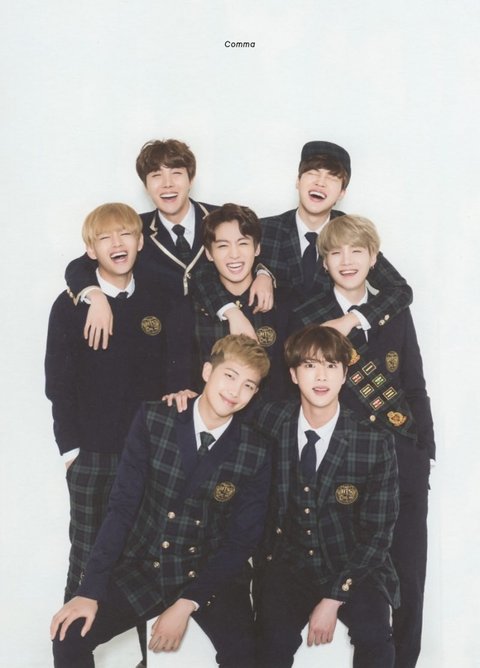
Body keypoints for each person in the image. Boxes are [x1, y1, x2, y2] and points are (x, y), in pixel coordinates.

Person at [50, 334, 272, 668]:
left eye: (248, 386)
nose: (235, 391)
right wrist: (89, 590)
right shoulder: (154, 419)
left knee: (245, 656)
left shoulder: (257, 450)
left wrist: (188, 603)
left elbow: (241, 542)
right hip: (146, 566)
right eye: (229, 376)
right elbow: (121, 508)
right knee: (68, 636)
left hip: (209, 574)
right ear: (207, 371)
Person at [293, 214, 435, 668]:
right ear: (324, 261)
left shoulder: (395, 311)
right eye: (336, 252)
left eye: (358, 251)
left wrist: (424, 450)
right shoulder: (308, 316)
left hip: (403, 454)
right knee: (362, 574)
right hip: (346, 464)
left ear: (374, 258)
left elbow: (414, 385)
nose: (347, 260)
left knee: (409, 574)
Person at [45, 202, 171, 667]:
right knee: (88, 561)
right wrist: (72, 452)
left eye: (126, 234)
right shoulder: (70, 305)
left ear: (140, 241)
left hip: (150, 454)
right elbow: (58, 384)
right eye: (105, 238)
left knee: (143, 561)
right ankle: (71, 653)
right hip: (94, 457)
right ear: (90, 249)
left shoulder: (158, 298)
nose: (117, 244)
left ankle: (146, 659)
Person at [254, 325, 400, 668]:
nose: (321, 376)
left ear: (345, 374)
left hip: (354, 566)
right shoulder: (268, 420)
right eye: (309, 365)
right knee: (268, 645)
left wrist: (335, 597)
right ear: (293, 374)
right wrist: (184, 399)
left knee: (376, 637)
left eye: (331, 366)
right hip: (287, 566)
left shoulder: (374, 441)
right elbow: (222, 410)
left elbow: (379, 534)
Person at [64, 139, 273, 356]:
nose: (167, 184)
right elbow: (81, 265)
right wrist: (96, 296)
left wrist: (264, 273)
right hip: (163, 347)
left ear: (191, 179)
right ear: (145, 185)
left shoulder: (222, 220)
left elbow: (258, 248)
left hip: (220, 338)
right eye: (156, 176)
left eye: (176, 173)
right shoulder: (134, 229)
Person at [255, 140, 413, 339]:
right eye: (313, 173)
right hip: (268, 346)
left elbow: (400, 290)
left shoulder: (351, 234)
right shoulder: (265, 229)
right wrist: (262, 272)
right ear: (298, 181)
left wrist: (352, 319)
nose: (320, 182)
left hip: (330, 348)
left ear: (342, 193)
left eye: (331, 177)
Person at [190, 203, 289, 399]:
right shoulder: (191, 307)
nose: (234, 254)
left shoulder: (282, 305)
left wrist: (264, 274)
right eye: (223, 246)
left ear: (257, 248)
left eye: (243, 243)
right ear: (209, 253)